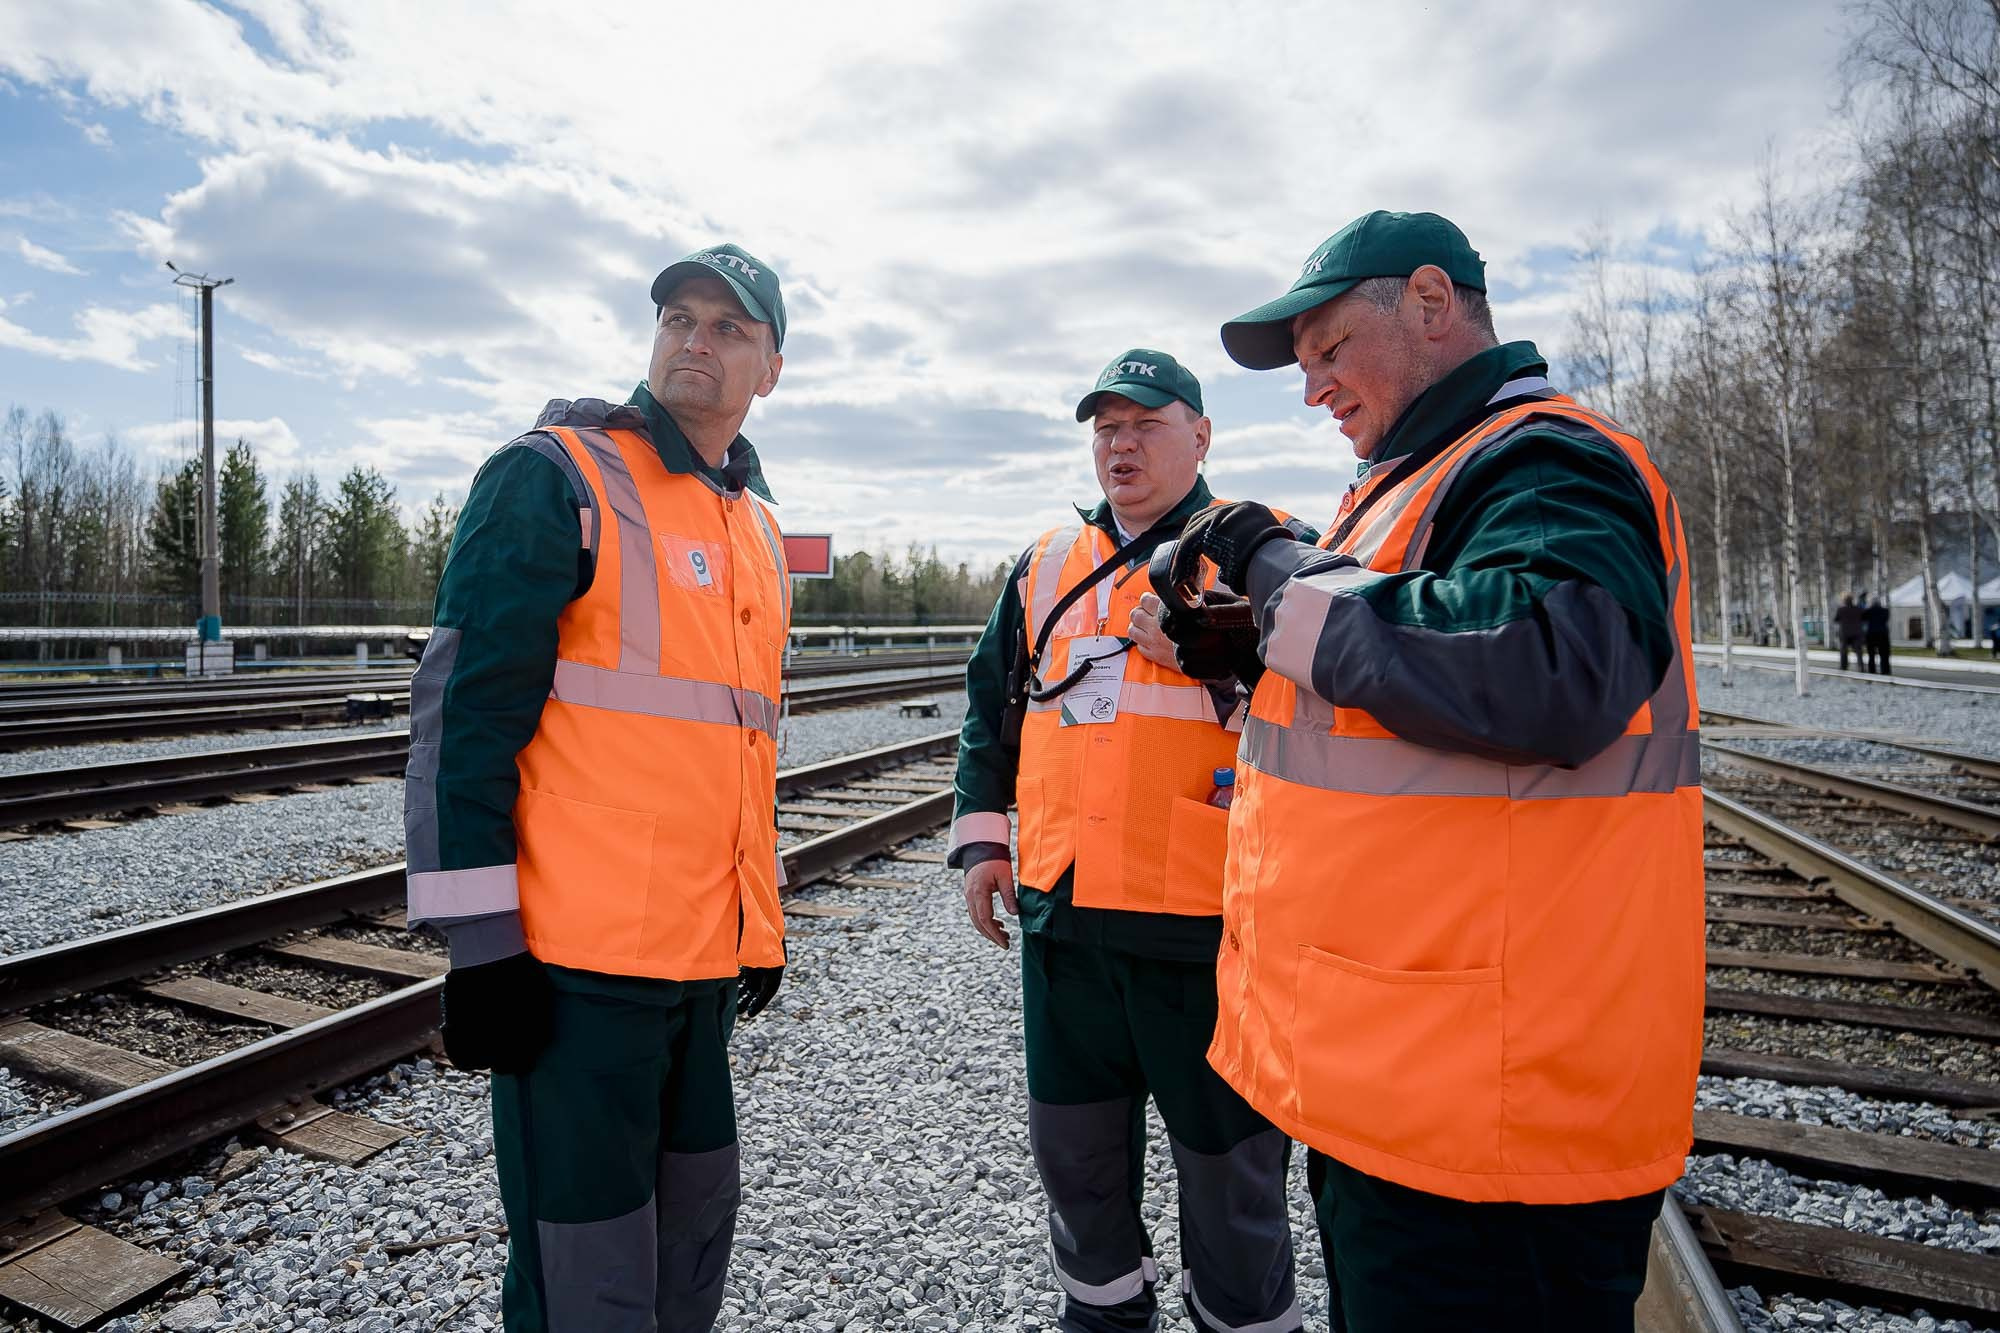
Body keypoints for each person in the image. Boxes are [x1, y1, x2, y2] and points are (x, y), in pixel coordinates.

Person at [1148, 211, 1703, 1332]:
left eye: (1328, 352)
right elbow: (1397, 693)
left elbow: (1553, 664)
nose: (1313, 389)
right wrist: (1256, 645)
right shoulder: (1418, 479)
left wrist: (1268, 563)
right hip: (1413, 1093)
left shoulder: (1542, 457)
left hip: (1494, 1125)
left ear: (1431, 304)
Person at [404, 243, 792, 1332]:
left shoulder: (752, 525)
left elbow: (737, 749)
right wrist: (480, 948)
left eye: (728, 327)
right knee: (585, 1282)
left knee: (687, 1252)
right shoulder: (557, 478)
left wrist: (756, 931)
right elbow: (461, 722)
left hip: (702, 969)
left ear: (771, 367)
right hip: (574, 977)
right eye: (678, 317)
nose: (694, 342)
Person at [950, 349, 1310, 1333]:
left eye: (1145, 422)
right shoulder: (1043, 565)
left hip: (1205, 925)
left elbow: (1334, 708)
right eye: (1105, 426)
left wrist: (1216, 669)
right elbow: (991, 709)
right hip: (1065, 926)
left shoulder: (1264, 550)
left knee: (1227, 1178)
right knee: (1077, 1169)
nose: (1121, 443)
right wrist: (983, 842)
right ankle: (1103, 1316)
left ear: (1199, 435)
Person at [1835, 593, 1865, 672]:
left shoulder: (1841, 609)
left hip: (1845, 633)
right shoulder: (1858, 609)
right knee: (1858, 651)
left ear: (1844, 601)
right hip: (1856, 633)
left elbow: (1836, 619)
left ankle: (1843, 666)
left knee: (1844, 651)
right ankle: (1860, 666)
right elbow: (1863, 618)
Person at [1864, 593, 1893, 674]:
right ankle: (1885, 670)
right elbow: (1886, 619)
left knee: (1871, 654)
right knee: (1884, 654)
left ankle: (1872, 670)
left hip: (1871, 634)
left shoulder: (1868, 611)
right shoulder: (1885, 611)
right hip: (1883, 633)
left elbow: (1863, 619)